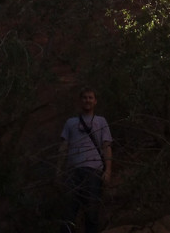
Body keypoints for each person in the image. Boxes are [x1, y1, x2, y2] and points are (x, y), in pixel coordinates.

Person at [57, 87, 112, 233]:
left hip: (94, 171)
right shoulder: (70, 122)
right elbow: (64, 146)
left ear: (95, 102)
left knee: (92, 211)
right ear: (80, 101)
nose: (87, 100)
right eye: (85, 97)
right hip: (73, 171)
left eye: (90, 98)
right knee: (69, 211)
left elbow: (106, 146)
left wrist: (108, 170)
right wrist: (59, 169)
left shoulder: (101, 121)